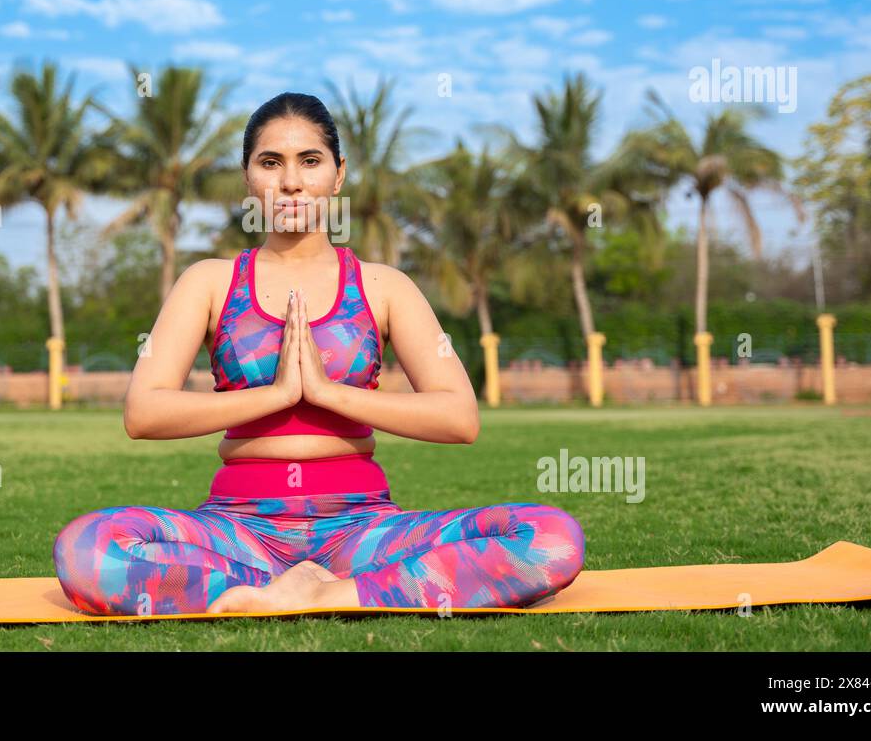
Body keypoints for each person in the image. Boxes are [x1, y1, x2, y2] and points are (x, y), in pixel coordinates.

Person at [53, 92, 585, 615]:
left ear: (338, 173)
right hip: (238, 533)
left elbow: (459, 418)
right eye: (270, 162)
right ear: (247, 177)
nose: (290, 182)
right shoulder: (210, 283)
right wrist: (277, 393)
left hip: (363, 533)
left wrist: (329, 393)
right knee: (87, 547)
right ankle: (294, 589)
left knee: (550, 537)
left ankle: (324, 592)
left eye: (309, 161)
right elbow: (143, 413)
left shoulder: (383, 286)